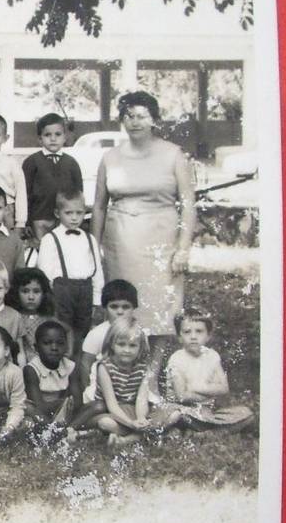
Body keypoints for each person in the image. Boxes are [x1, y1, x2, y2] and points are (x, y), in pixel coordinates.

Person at [91, 90, 196, 396]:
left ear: (154, 119)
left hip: (161, 243)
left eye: (141, 115)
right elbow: (98, 205)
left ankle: (152, 379)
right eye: (128, 115)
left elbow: (188, 204)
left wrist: (183, 246)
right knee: (124, 307)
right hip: (119, 243)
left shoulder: (173, 154)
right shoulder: (110, 157)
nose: (134, 121)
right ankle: (123, 376)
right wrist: (93, 248)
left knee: (161, 309)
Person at [91, 316, 181, 448]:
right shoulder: (104, 367)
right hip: (115, 412)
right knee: (105, 423)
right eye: (121, 344)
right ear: (111, 343)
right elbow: (112, 404)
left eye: (132, 345)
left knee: (175, 414)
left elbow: (141, 399)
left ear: (140, 346)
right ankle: (154, 434)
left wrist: (141, 419)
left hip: (136, 409)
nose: (127, 350)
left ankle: (127, 439)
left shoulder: (142, 367)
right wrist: (131, 423)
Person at [36, 190, 104, 357]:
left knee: (84, 333)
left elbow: (97, 270)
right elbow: (45, 273)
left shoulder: (90, 239)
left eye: (79, 213)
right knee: (63, 332)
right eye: (69, 213)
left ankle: (80, 370)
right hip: (62, 291)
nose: (74, 218)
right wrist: (50, 298)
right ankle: (63, 368)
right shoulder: (50, 239)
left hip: (85, 290)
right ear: (57, 213)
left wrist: (96, 300)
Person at [163, 310, 254, 431]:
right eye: (187, 332)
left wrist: (196, 387)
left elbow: (223, 388)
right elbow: (182, 396)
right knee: (178, 415)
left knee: (246, 413)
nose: (193, 336)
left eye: (199, 331)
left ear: (208, 336)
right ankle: (204, 428)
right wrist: (209, 393)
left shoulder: (212, 356)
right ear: (179, 337)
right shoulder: (176, 359)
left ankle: (201, 428)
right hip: (180, 408)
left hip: (205, 410)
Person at [21, 113, 83, 243]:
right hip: (40, 218)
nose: (53, 139)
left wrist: (75, 215)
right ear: (40, 139)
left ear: (65, 137)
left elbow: (78, 193)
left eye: (58, 134)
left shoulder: (72, 163)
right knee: (44, 251)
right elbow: (24, 194)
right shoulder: (32, 162)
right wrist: (25, 221)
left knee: (63, 251)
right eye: (47, 135)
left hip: (65, 219)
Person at [78, 279, 139, 405]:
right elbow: (85, 365)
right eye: (114, 307)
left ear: (134, 307)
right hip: (103, 388)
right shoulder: (97, 334)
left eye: (126, 307)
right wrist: (88, 388)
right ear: (105, 308)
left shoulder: (139, 333)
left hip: (130, 387)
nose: (120, 312)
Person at [23, 320, 81, 430]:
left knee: (97, 406)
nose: (54, 347)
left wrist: (66, 406)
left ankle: (67, 429)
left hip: (64, 413)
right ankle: (55, 430)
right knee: (29, 411)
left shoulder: (70, 366)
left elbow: (77, 403)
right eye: (47, 343)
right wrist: (63, 403)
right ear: (36, 348)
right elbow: (39, 407)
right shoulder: (31, 369)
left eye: (60, 343)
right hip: (40, 413)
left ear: (66, 346)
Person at [7, 267, 61, 364]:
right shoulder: (14, 317)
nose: (31, 297)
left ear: (44, 294)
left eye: (36, 292)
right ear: (16, 293)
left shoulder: (48, 318)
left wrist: (66, 353)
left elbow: (68, 331)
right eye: (25, 291)